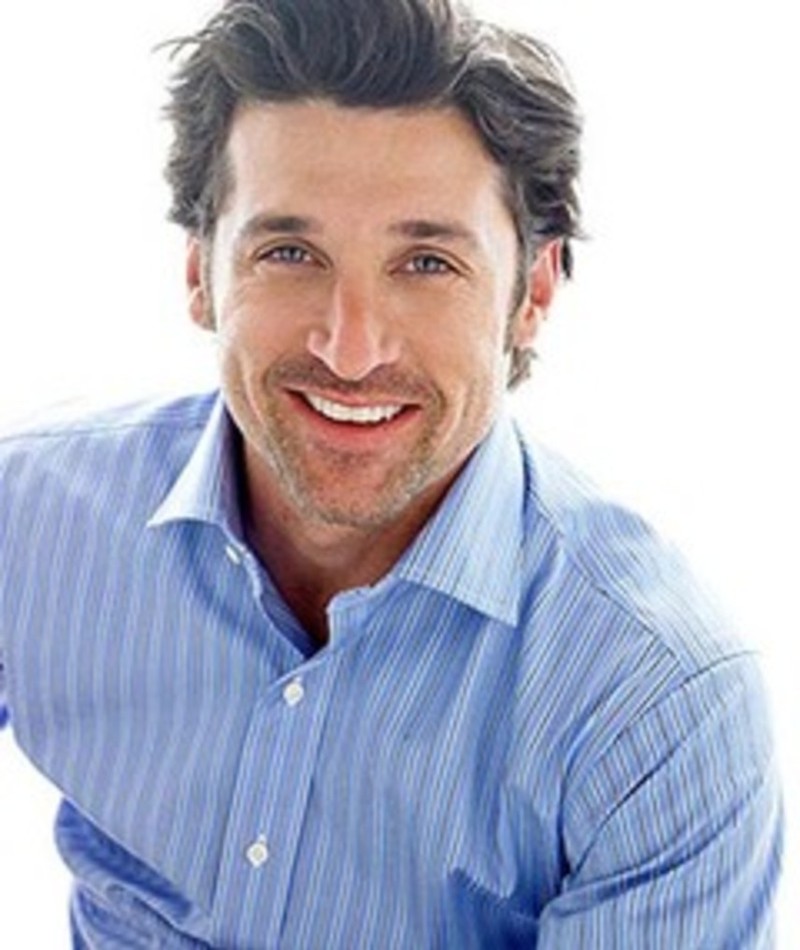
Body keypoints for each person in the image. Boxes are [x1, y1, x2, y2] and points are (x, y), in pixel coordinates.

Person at [0, 0, 782, 945]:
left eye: (426, 263)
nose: (352, 347)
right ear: (201, 272)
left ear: (532, 292)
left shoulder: (659, 706)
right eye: (290, 253)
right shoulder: (28, 520)